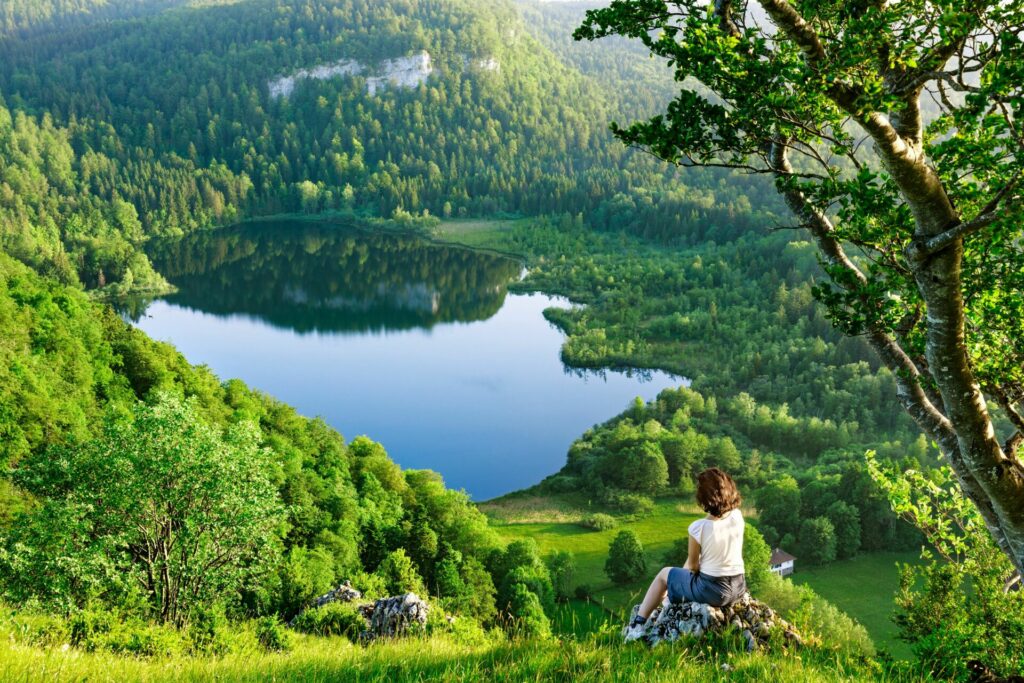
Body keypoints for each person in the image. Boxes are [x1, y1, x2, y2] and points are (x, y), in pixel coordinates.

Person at [624, 467, 747, 642]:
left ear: (703, 498)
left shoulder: (698, 528)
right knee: (692, 568)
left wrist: (681, 575)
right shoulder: (737, 516)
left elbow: (693, 566)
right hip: (738, 587)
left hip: (713, 592)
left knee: (664, 575)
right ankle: (666, 601)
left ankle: (638, 624)